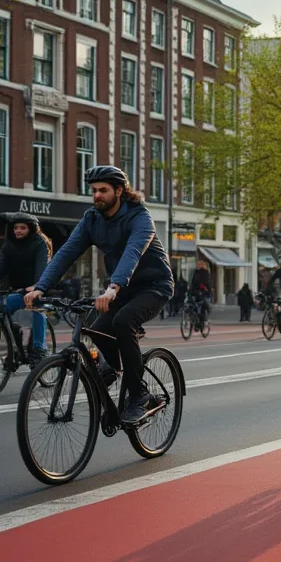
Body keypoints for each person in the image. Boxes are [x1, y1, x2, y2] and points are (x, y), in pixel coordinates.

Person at [27, 165, 174, 424]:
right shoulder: (92, 220)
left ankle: (138, 395)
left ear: (119, 191)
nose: (97, 195)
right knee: (95, 329)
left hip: (153, 286)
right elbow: (66, 253)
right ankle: (116, 368)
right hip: (120, 289)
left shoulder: (140, 218)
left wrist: (113, 287)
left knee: (123, 322)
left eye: (103, 190)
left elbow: (132, 253)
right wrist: (41, 286)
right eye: (94, 190)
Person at [0, 212, 51, 368]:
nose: (18, 231)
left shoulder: (39, 243)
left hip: (38, 287)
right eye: (15, 228)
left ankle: (39, 349)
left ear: (31, 229)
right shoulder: (9, 244)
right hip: (18, 289)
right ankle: (15, 346)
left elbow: (42, 265)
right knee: (1, 307)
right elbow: (1, 264)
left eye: (22, 228)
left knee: (37, 309)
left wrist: (37, 286)